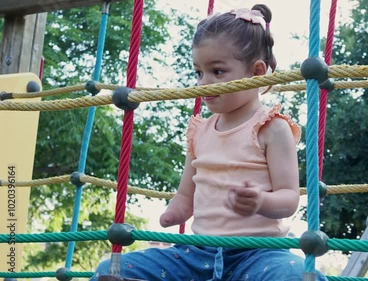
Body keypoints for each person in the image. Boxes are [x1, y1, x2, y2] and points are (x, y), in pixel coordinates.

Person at [91, 4, 327, 281]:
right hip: (197, 253)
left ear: (257, 71)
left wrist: (260, 201)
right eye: (198, 73)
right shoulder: (200, 131)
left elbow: (289, 198)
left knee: (295, 274)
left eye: (217, 72)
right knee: (111, 269)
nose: (204, 83)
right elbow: (185, 194)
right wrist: (174, 212)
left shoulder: (272, 128)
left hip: (259, 254)